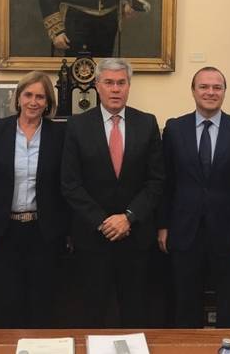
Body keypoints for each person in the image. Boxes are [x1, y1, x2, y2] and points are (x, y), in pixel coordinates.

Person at [61, 58, 164, 327]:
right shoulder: (77, 125)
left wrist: (128, 217)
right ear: (97, 86)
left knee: (135, 313)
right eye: (109, 83)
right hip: (92, 237)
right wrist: (103, 221)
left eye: (121, 83)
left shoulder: (147, 123)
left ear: (129, 86)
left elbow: (156, 181)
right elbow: (70, 183)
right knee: (93, 313)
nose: (115, 89)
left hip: (136, 237)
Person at [158, 66, 230, 328]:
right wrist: (163, 225)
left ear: (225, 92)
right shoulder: (173, 129)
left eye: (217, 87)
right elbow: (166, 184)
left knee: (229, 305)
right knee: (185, 304)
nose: (210, 92)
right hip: (184, 231)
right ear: (193, 91)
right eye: (204, 86)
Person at [0, 71, 68, 328]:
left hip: (43, 230)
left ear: (48, 102)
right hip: (5, 230)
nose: (33, 102)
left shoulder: (59, 135)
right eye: (28, 95)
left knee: (42, 300)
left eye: (40, 96)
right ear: (18, 98)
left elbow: (64, 186)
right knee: (7, 300)